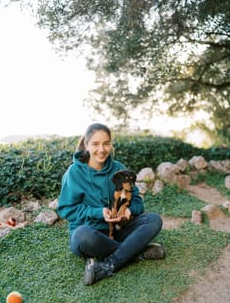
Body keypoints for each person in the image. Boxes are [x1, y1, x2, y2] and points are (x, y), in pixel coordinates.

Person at [57, 123, 165, 286]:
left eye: (106, 143)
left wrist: (128, 211)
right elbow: (66, 209)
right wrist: (98, 213)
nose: (101, 149)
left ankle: (108, 265)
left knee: (154, 220)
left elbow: (136, 201)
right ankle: (135, 252)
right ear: (86, 145)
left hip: (118, 230)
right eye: (95, 144)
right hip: (91, 234)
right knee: (82, 235)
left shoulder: (118, 169)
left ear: (110, 144)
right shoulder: (74, 173)